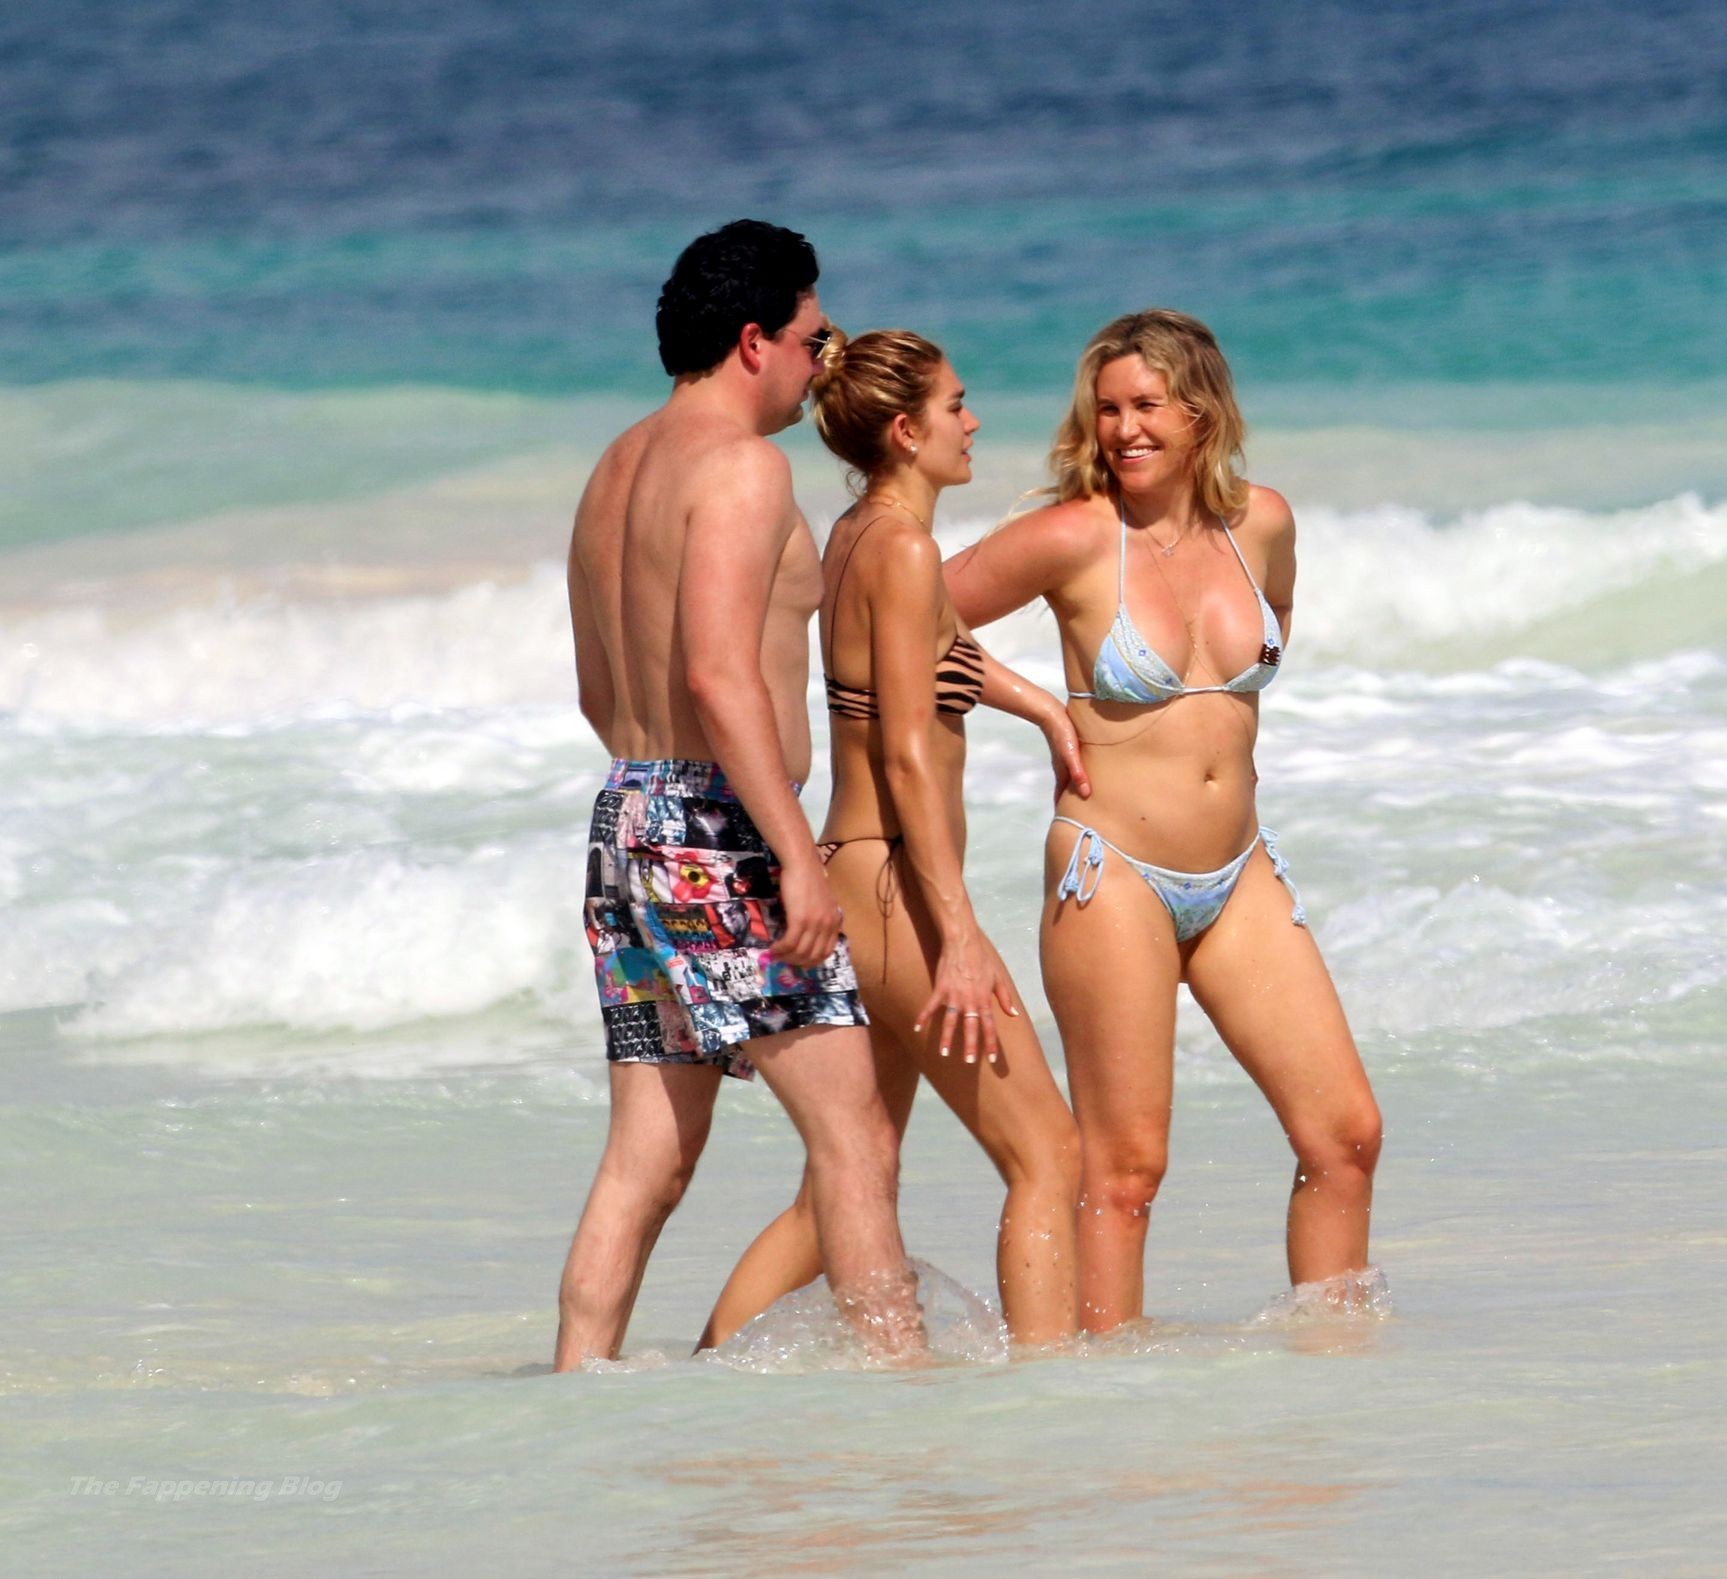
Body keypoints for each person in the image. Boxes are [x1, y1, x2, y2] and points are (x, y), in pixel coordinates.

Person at [943, 309, 1383, 1333]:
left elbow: (1261, 647)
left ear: (1201, 412)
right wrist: (1038, 703)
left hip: (1240, 871)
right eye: (1107, 409)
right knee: (1127, 1170)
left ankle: (1339, 1374)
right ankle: (1113, 1404)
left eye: (1147, 405)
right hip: (1115, 871)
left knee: (1346, 1136)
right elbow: (896, 610)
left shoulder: (1260, 524)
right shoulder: (1074, 536)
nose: (1124, 429)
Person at [553, 220, 922, 1371]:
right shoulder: (743, 468)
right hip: (720, 827)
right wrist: (794, 858)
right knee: (856, 1138)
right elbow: (720, 675)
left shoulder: (617, 466)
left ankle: (574, 1393)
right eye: (814, 339)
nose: (823, 364)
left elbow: (598, 690)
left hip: (628, 816)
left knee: (648, 1159)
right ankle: (903, 1395)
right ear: (754, 340)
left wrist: (670, 833)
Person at [697, 329, 1087, 1350]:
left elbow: (932, 648)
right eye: (956, 405)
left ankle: (701, 1378)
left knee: (847, 1177)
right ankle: (1053, 1396)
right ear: (908, 432)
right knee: (1048, 1156)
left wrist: (1043, 708)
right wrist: (958, 934)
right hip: (898, 895)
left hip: (846, 876)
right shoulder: (907, 550)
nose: (973, 422)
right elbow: (910, 757)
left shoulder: (857, 535)